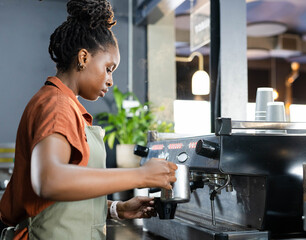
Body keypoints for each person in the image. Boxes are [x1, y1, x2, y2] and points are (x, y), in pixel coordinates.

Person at [0, 0, 177, 239]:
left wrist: (116, 209)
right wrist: (141, 174)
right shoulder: (56, 105)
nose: (111, 81)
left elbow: (57, 204)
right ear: (83, 57)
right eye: (109, 68)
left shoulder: (67, 105)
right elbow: (49, 181)